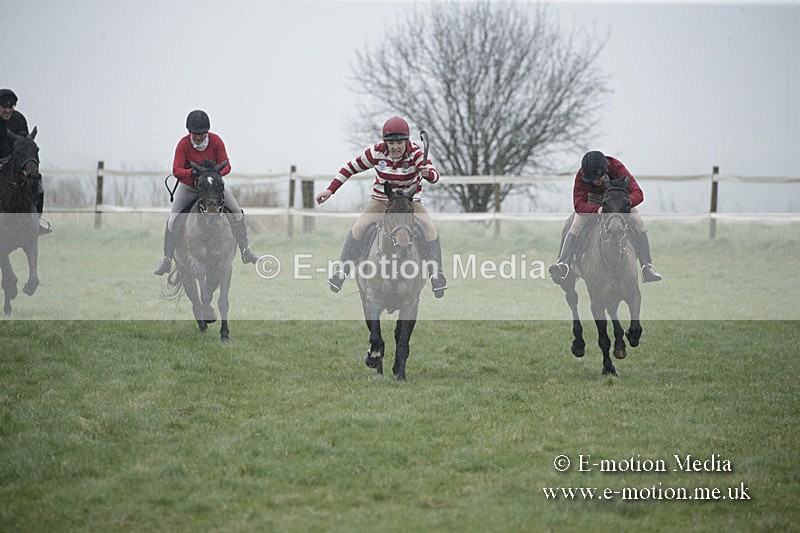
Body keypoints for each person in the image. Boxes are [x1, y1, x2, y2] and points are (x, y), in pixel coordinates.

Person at [316, 116, 447, 298]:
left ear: (406, 141)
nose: (395, 147)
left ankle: (436, 275)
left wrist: (428, 174)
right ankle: (341, 272)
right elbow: (350, 168)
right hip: (382, 201)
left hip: (410, 203)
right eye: (391, 142)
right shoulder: (376, 153)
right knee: (358, 228)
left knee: (430, 229)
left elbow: (434, 175)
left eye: (400, 142)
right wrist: (330, 190)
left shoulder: (416, 153)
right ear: (385, 143)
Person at [153, 109, 259, 275]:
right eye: (195, 134)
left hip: (212, 189)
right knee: (173, 220)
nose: (199, 137)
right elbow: (176, 170)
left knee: (237, 213)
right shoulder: (183, 144)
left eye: (202, 134)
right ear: (190, 132)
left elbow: (227, 166)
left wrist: (212, 176)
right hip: (189, 187)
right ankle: (166, 259)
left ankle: (245, 250)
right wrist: (191, 174)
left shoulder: (216, 141)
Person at [548, 150, 663, 283]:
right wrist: (596, 210)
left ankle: (647, 267)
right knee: (575, 225)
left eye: (598, 178)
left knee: (638, 222)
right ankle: (563, 265)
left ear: (605, 170)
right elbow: (578, 205)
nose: (595, 181)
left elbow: (638, 193)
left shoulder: (617, 167)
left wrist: (622, 205)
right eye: (591, 179)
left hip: (617, 202)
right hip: (594, 202)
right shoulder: (581, 175)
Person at [0, 88, 52, 234]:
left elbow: (25, 143)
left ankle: (36, 223)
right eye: (5, 107)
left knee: (37, 184)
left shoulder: (19, 119)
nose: (8, 110)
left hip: (16, 164)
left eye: (11, 107)